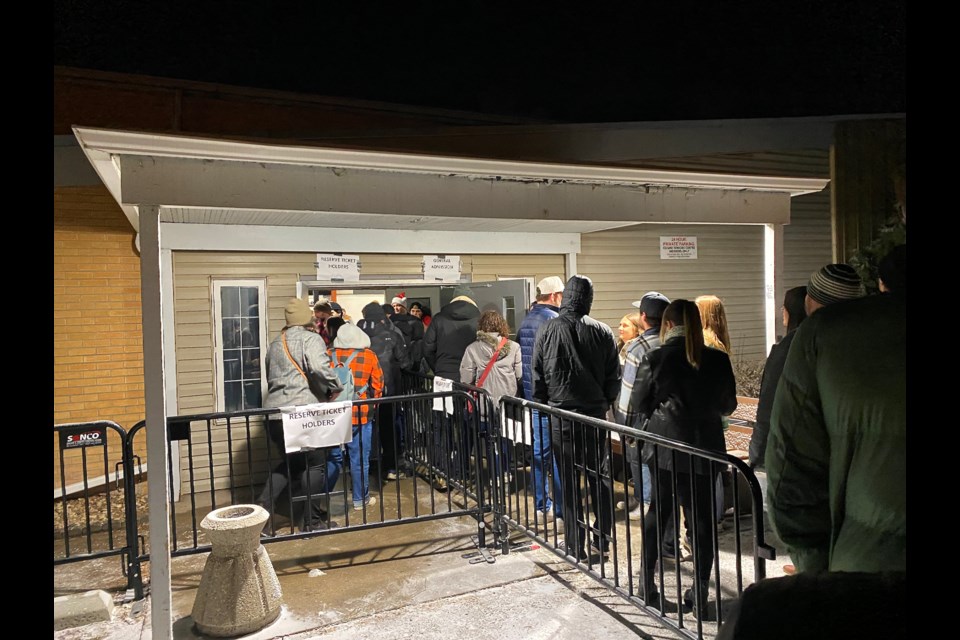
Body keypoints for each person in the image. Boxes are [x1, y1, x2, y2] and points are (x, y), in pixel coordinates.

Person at [766, 247, 905, 575]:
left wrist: (815, 565)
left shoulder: (822, 336)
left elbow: (791, 460)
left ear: (883, 285)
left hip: (868, 567)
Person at [633, 299, 737, 613]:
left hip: (665, 448)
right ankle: (700, 592)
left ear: (667, 324)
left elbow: (639, 403)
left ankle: (645, 585)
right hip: (704, 447)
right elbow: (728, 405)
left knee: (658, 513)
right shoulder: (717, 359)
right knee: (702, 520)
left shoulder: (656, 357)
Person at [532, 275, 620, 561]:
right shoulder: (603, 332)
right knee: (599, 478)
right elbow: (613, 378)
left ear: (566, 296)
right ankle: (602, 537)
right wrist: (604, 402)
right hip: (595, 417)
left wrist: (544, 404)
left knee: (568, 481)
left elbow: (538, 376)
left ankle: (573, 544)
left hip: (562, 417)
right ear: (588, 299)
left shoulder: (548, 329)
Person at [257, 298, 345, 532]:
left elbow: (270, 376)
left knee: (291, 464)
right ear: (306, 319)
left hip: (275, 415)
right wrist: (335, 386)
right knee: (316, 465)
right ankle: (311, 522)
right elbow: (319, 368)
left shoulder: (275, 343)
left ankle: (261, 517)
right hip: (302, 413)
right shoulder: (311, 339)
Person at [613, 291, 670, 520]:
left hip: (641, 418)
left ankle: (646, 503)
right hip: (668, 418)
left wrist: (623, 425)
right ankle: (655, 504)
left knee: (641, 461)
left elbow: (628, 393)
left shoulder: (637, 348)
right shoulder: (672, 342)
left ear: (643, 317)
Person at [517, 276, 565, 520]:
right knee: (557, 454)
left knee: (539, 452)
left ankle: (540, 504)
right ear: (555, 296)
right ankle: (560, 509)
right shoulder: (553, 320)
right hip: (551, 399)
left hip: (532, 395)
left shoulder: (526, 320)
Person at [423, 286, 481, 489]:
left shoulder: (439, 319)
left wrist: (439, 369)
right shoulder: (478, 319)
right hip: (469, 382)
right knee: (466, 424)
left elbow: (427, 348)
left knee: (441, 425)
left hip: (443, 380)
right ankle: (462, 469)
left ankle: (442, 471)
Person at [460, 310, 523, 487]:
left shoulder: (472, 349)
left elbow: (466, 380)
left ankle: (494, 474)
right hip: (507, 404)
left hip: (483, 404)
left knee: (489, 440)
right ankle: (505, 472)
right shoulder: (514, 347)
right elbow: (519, 375)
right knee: (506, 439)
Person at [749, 285, 807, 470]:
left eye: (784, 308)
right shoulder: (825, 343)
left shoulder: (786, 349)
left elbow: (768, 401)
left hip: (784, 448)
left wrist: (757, 451)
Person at [329, 323, 384, 512]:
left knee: (332, 457)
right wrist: (372, 406)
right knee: (359, 458)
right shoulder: (368, 356)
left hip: (333, 415)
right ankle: (361, 499)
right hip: (359, 414)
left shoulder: (329, 355)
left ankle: (322, 498)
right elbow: (378, 385)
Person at [359, 302, 411, 481]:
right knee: (389, 428)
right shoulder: (391, 334)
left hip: (362, 393)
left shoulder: (356, 335)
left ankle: (368, 468)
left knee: (366, 429)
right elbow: (405, 362)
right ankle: (391, 467)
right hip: (387, 390)